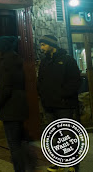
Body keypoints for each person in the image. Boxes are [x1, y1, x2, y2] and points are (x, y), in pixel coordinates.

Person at [37, 35, 81, 172]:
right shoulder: (44, 62)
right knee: (54, 135)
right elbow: (40, 81)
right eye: (41, 45)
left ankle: (73, 163)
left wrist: (63, 95)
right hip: (49, 104)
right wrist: (43, 96)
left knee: (67, 134)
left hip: (64, 105)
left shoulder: (67, 60)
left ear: (52, 45)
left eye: (44, 44)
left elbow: (75, 81)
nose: (41, 48)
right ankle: (58, 162)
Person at [0, 36, 32, 172]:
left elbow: (6, 88)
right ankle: (26, 167)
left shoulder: (5, 63)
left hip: (10, 106)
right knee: (20, 141)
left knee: (14, 143)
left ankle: (20, 169)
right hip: (20, 104)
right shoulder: (17, 60)